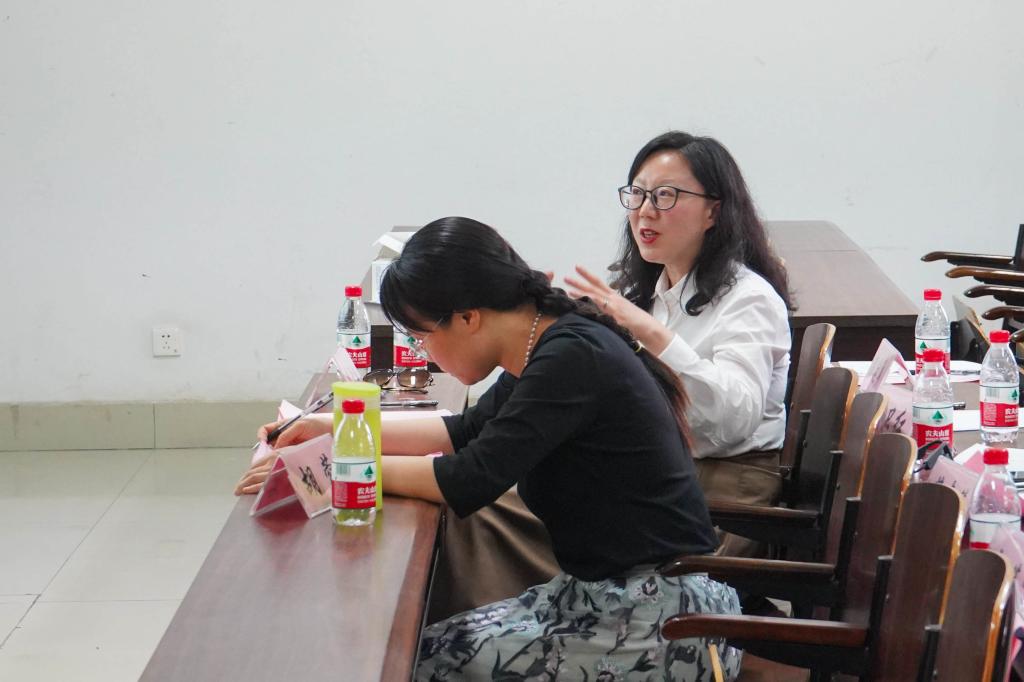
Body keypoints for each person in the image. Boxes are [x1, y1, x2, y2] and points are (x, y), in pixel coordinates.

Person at [237, 216, 742, 680]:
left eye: (420, 336)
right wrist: (328, 427)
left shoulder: (570, 357)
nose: (422, 352)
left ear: (467, 317)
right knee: (415, 651)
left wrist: (336, 468)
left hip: (666, 622)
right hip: (607, 597)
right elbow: (463, 431)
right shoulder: (545, 345)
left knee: (417, 666)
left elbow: (469, 476)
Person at [565, 131, 793, 557]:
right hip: (663, 474)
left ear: (713, 212)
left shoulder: (750, 298)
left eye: (665, 196)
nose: (645, 211)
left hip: (724, 492)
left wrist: (650, 333)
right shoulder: (653, 294)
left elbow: (732, 421)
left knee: (524, 516)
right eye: (637, 194)